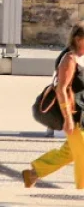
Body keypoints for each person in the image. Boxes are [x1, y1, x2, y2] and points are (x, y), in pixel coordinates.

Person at [28, 24, 84, 186]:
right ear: (78, 39)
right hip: (75, 115)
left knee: (69, 152)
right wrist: (67, 118)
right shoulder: (69, 58)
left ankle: (34, 172)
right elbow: (62, 89)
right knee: (82, 154)